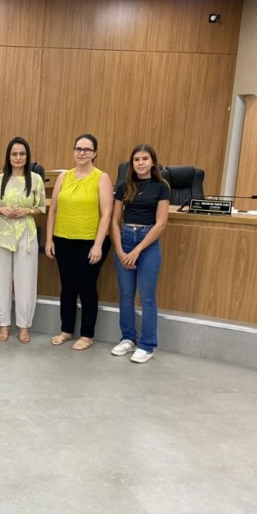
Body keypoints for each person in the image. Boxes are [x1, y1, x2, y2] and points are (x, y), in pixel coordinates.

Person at [45, 134, 113, 351]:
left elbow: (107, 214)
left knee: (86, 288)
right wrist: (49, 239)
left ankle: (87, 334)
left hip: (89, 242)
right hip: (63, 239)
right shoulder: (63, 177)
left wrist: (98, 245)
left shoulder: (101, 177)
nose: (82, 153)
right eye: (78, 149)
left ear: (95, 153)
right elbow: (53, 210)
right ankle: (66, 330)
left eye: (87, 149)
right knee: (67, 287)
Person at [110, 144, 170, 363]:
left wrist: (137, 250)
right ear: (131, 163)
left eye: (145, 159)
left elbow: (161, 223)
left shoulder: (161, 186)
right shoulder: (123, 186)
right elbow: (114, 221)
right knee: (126, 295)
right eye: (136, 159)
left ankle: (147, 345)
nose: (141, 163)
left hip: (147, 243)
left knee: (147, 297)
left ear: (153, 162)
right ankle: (128, 338)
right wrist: (119, 250)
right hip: (125, 238)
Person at [0, 137, 46, 344]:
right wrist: (0, 209)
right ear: (9, 157)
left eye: (22, 154)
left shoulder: (36, 179)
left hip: (26, 234)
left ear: (27, 156)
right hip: (1, 234)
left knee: (26, 280)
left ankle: (24, 326)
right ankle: (3, 324)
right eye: (14, 154)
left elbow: (42, 207)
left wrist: (28, 210)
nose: (18, 158)